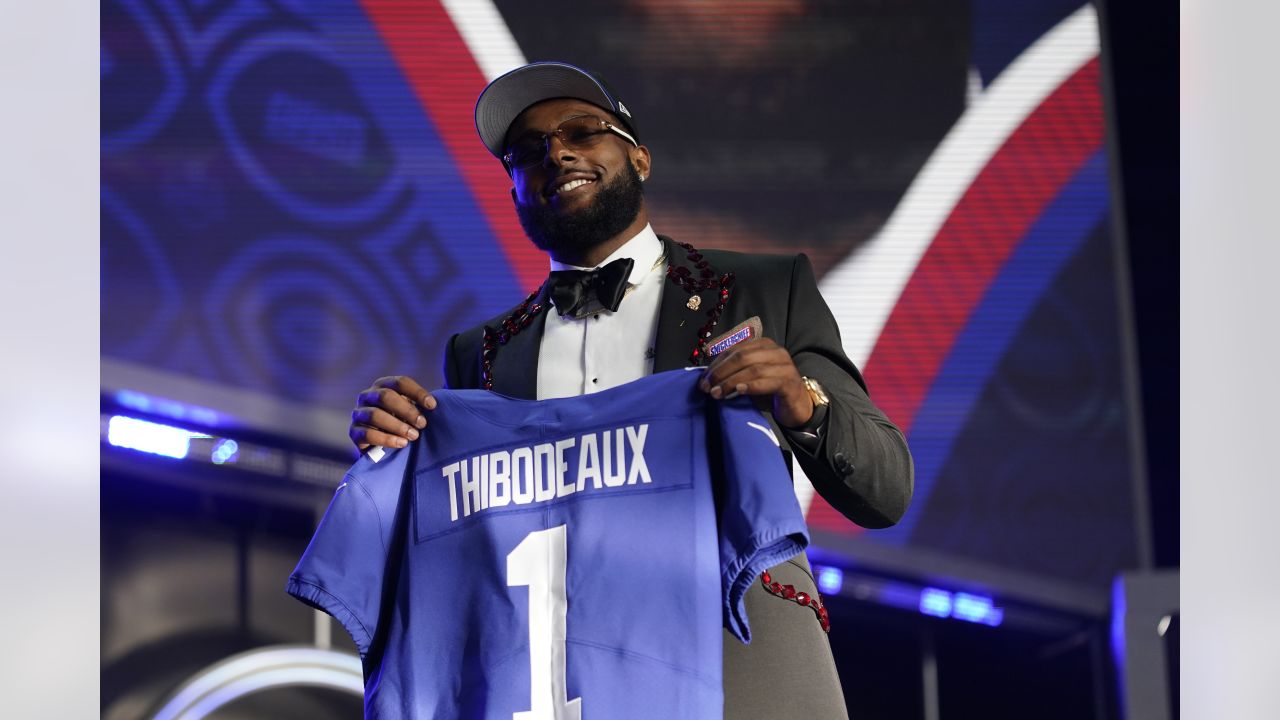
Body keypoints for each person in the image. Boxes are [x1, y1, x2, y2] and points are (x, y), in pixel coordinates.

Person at [347, 61, 913, 719]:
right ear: (513, 190)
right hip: (566, 681)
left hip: (739, 659)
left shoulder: (763, 289)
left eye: (581, 132)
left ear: (639, 158)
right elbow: (470, 544)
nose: (555, 153)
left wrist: (801, 398)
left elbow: (886, 489)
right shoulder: (479, 353)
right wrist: (397, 452)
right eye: (526, 153)